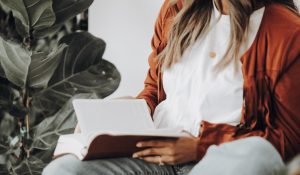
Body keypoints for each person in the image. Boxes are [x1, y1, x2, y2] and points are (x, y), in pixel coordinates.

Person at [43, 0, 300, 174]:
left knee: (255, 156)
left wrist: (199, 147)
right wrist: (122, 113)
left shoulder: (285, 31)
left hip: (218, 162)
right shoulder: (177, 9)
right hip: (153, 153)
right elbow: (155, 91)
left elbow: (287, 138)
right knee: (63, 170)